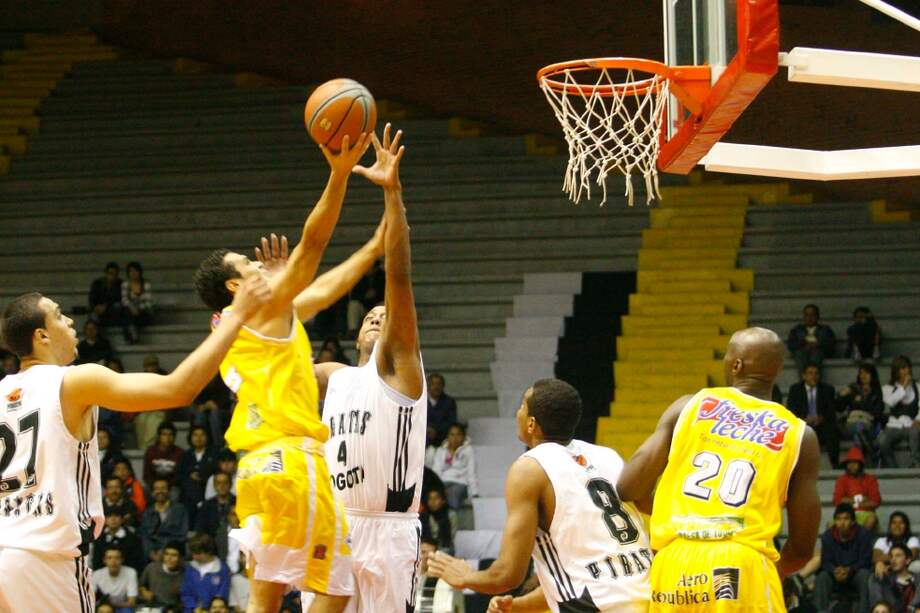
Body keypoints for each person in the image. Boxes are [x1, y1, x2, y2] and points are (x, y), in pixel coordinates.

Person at [0, 282, 266, 612]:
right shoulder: (73, 381)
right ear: (42, 336)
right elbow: (177, 390)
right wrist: (236, 318)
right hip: (46, 559)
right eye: (58, 315)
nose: (69, 321)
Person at [192, 130, 370, 613]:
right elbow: (313, 249)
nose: (256, 264)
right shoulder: (256, 314)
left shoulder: (234, 324)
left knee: (265, 596)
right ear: (234, 283)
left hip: (258, 466)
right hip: (292, 462)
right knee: (336, 588)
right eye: (247, 265)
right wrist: (338, 176)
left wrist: (371, 251)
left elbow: (319, 289)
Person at [299, 125, 429, 612]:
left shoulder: (398, 368)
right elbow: (279, 359)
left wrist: (392, 194)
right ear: (356, 334)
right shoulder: (334, 376)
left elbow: (398, 277)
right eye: (369, 317)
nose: (379, 318)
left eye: (386, 316)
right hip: (336, 524)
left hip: (388, 530)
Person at [617, 327, 820, 609]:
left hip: (674, 563)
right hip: (742, 562)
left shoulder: (688, 407)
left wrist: (672, 509)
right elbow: (801, 549)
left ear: (736, 364)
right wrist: (775, 571)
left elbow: (628, 486)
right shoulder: (799, 435)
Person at [429, 378, 652, 612]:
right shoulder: (608, 457)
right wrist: (518, 606)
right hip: (648, 596)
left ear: (531, 424)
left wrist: (468, 576)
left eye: (522, 407)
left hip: (594, 606)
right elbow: (585, 575)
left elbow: (507, 575)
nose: (518, 413)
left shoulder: (530, 469)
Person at [813, 503, 874, 612]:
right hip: (835, 574)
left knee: (865, 576)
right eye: (838, 519)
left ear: (853, 522)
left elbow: (865, 561)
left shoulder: (863, 534)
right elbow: (826, 561)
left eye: (846, 519)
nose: (842, 523)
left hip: (855, 574)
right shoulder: (827, 536)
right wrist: (834, 570)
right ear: (835, 521)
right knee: (822, 577)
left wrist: (850, 570)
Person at [788, 362, 841, 469]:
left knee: (832, 430)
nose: (814, 376)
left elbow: (831, 411)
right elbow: (791, 411)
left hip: (821, 424)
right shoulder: (795, 390)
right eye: (810, 373)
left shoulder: (827, 389)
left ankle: (835, 463)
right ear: (804, 376)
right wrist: (803, 420)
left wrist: (821, 418)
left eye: (816, 373)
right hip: (803, 425)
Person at [878, 356, 920, 468]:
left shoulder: (918, 387)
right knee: (882, 442)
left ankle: (915, 464)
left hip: (911, 424)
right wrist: (904, 386)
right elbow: (891, 402)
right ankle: (893, 468)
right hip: (894, 425)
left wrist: (918, 419)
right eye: (902, 368)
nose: (907, 371)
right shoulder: (887, 388)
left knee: (915, 433)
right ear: (896, 371)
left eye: (907, 367)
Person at [838, 361, 885, 459]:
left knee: (858, 435)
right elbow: (839, 407)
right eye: (861, 373)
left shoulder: (876, 391)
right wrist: (842, 396)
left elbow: (878, 412)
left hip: (869, 425)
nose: (863, 376)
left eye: (866, 373)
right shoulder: (853, 388)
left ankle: (859, 461)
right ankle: (873, 454)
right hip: (852, 423)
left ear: (872, 375)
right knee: (859, 429)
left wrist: (862, 402)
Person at [428, 422, 478, 509]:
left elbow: (471, 472)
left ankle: (451, 515)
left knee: (453, 493)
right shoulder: (441, 450)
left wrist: (474, 493)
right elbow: (436, 470)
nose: (455, 438)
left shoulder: (468, 451)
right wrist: (438, 487)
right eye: (452, 435)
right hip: (443, 482)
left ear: (463, 436)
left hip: (460, 483)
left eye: (458, 435)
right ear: (448, 436)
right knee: (433, 494)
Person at [140, 478, 189, 561]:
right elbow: (144, 535)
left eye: (163, 488)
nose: (160, 491)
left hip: (173, 550)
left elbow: (182, 534)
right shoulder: (148, 511)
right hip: (152, 553)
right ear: (152, 493)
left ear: (169, 491)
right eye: (157, 489)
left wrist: (163, 550)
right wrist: (150, 552)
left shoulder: (179, 509)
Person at [833, 446, 881, 531]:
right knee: (830, 525)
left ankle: (858, 542)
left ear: (860, 464)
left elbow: (875, 502)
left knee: (871, 520)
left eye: (855, 463)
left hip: (866, 513)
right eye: (849, 463)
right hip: (845, 515)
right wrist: (862, 499)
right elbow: (837, 501)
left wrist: (849, 501)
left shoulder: (870, 479)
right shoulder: (841, 480)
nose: (851, 466)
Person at [177, 424, 217, 527]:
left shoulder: (214, 453)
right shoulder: (185, 455)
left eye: (202, 435)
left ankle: (200, 505)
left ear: (207, 437)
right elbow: (179, 475)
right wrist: (190, 476)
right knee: (188, 486)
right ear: (190, 437)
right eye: (195, 435)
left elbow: (216, 472)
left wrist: (201, 477)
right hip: (188, 492)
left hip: (208, 489)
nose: (198, 438)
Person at [181, 533, 231, 613]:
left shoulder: (222, 570)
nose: (194, 557)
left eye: (198, 553)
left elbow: (222, 596)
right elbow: (186, 592)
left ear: (208, 551)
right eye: (193, 553)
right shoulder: (190, 568)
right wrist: (193, 607)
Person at [868, 543, 920, 613]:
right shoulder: (883, 579)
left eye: (898, 556)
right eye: (891, 556)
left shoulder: (918, 579)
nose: (893, 560)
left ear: (908, 560)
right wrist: (878, 564)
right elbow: (878, 607)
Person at [787, 304, 837, 371]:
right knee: (800, 354)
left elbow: (831, 344)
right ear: (804, 317)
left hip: (819, 352)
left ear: (818, 316)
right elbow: (791, 345)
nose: (810, 318)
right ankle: (805, 378)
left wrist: (818, 344)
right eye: (807, 315)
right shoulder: (796, 330)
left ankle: (814, 377)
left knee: (816, 353)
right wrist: (804, 344)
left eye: (813, 315)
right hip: (802, 352)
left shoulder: (826, 330)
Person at [135, 353, 169, 449]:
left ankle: (149, 448)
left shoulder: (165, 378)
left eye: (154, 365)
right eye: (149, 366)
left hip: (160, 410)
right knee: (140, 420)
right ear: (145, 367)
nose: (152, 368)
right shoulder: (140, 379)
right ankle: (142, 448)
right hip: (145, 410)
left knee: (155, 421)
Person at [195, 472, 236, 552]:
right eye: (218, 483)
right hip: (211, 546)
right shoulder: (206, 505)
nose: (222, 486)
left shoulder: (239, 502)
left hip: (234, 543)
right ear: (214, 485)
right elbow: (200, 528)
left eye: (225, 483)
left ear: (230, 484)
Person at [139, 541, 184, 609]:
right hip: (153, 608)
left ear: (181, 558)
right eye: (166, 554)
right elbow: (140, 586)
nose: (169, 558)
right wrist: (144, 591)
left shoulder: (187, 574)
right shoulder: (152, 568)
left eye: (174, 555)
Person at [93, 546, 138, 611]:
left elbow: (131, 602)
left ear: (122, 560)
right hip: (105, 606)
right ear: (104, 560)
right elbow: (91, 600)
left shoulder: (131, 572)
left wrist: (111, 605)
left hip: (124, 607)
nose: (113, 561)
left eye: (117, 558)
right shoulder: (96, 574)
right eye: (109, 558)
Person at [875, 512, 920, 577]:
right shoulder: (881, 541)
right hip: (885, 568)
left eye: (901, 523)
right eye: (894, 523)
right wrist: (879, 562)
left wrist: (890, 561)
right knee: (878, 565)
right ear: (890, 525)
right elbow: (876, 558)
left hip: (905, 569)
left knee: (917, 565)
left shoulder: (912, 540)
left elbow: (911, 556)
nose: (897, 526)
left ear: (906, 526)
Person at [143, 420, 183, 492]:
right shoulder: (150, 451)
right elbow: (146, 475)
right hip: (154, 485)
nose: (168, 438)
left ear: (174, 437)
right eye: (164, 434)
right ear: (159, 436)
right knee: (146, 490)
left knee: (175, 492)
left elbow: (179, 476)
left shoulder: (179, 452)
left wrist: (167, 485)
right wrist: (156, 485)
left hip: (171, 486)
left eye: (171, 434)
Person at [121, 260, 154, 344]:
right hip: (130, 312)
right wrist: (132, 308)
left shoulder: (146, 285)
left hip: (143, 313)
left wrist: (138, 309)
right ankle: (133, 335)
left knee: (129, 317)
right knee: (126, 312)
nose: (133, 273)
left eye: (135, 271)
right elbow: (124, 300)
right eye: (131, 271)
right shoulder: (125, 285)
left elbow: (149, 303)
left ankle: (132, 334)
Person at [421, 488, 457, 554]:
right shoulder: (424, 515)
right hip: (427, 547)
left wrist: (435, 547)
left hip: (445, 546)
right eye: (430, 499)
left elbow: (451, 536)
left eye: (436, 498)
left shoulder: (450, 514)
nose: (432, 502)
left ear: (443, 500)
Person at [427, 372, 458, 447]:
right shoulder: (420, 401)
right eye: (433, 384)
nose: (436, 387)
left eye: (439, 384)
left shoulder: (449, 402)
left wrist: (435, 429)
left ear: (443, 386)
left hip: (443, 440)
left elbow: (452, 422)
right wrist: (427, 429)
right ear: (428, 386)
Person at [89, 262, 123, 326]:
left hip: (113, 312)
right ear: (106, 273)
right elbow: (92, 298)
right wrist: (96, 307)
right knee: (93, 318)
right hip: (99, 311)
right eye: (110, 273)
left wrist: (106, 307)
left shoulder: (120, 284)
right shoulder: (97, 284)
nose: (112, 277)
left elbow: (119, 300)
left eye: (115, 274)